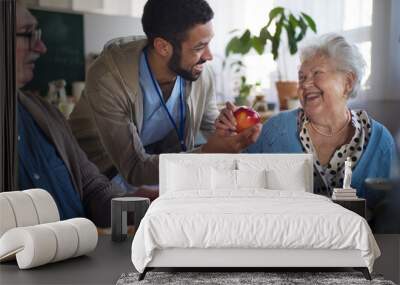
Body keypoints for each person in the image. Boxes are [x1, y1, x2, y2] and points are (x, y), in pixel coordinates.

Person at [68, 0, 261, 189]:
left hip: (158, 174)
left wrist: (228, 129)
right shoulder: (109, 79)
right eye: (199, 47)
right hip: (98, 180)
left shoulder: (200, 73)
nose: (209, 56)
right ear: (163, 47)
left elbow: (211, 127)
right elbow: (134, 169)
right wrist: (206, 153)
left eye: (209, 43)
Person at [15, 0, 157, 227]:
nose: (41, 47)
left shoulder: (47, 115)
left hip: (82, 254)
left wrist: (135, 205)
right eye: (28, 34)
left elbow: (93, 189)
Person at [216, 34, 397, 203]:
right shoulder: (275, 131)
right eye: (302, 77)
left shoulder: (380, 141)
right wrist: (227, 143)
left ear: (348, 82)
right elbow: (236, 183)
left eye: (317, 73)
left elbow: (389, 214)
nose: (306, 84)